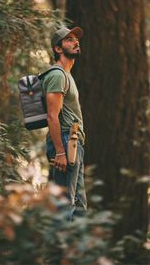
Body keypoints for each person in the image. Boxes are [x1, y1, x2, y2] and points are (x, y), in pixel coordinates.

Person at [42, 26, 87, 220]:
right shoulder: (57, 75)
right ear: (58, 49)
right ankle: (57, 250)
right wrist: (60, 151)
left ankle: (75, 250)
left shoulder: (67, 76)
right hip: (66, 143)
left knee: (79, 208)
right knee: (64, 206)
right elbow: (52, 116)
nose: (76, 41)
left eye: (76, 39)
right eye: (69, 39)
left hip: (74, 143)